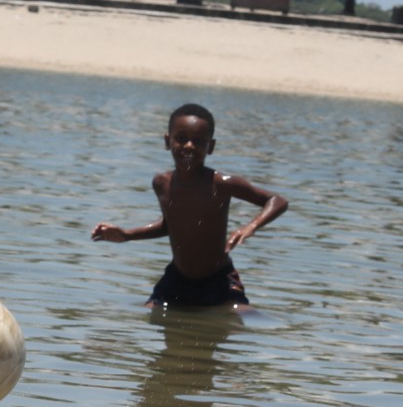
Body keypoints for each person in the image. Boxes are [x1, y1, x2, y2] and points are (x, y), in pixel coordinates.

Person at [91, 102, 289, 311]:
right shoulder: (162, 183)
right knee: (149, 314)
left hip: (218, 281)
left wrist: (251, 226)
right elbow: (171, 225)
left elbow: (277, 201)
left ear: (210, 147)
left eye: (198, 141)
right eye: (182, 138)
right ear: (168, 141)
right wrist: (126, 234)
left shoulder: (221, 183)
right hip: (177, 280)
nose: (189, 146)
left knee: (244, 321)